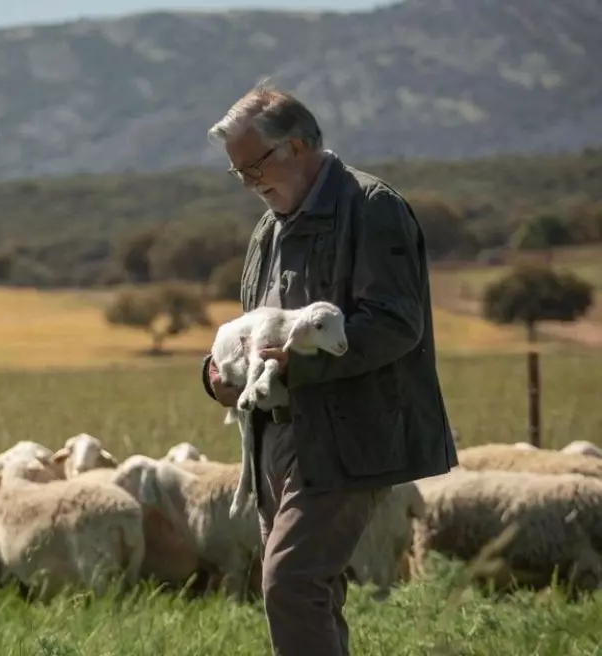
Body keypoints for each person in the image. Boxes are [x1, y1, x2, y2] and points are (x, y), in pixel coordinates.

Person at [199, 81, 458, 656]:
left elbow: (394, 322)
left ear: (296, 145)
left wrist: (294, 367)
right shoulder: (270, 227)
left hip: (348, 434)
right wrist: (219, 374)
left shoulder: (371, 208)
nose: (249, 183)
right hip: (276, 435)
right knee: (306, 589)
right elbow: (254, 324)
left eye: (255, 166)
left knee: (291, 583)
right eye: (237, 173)